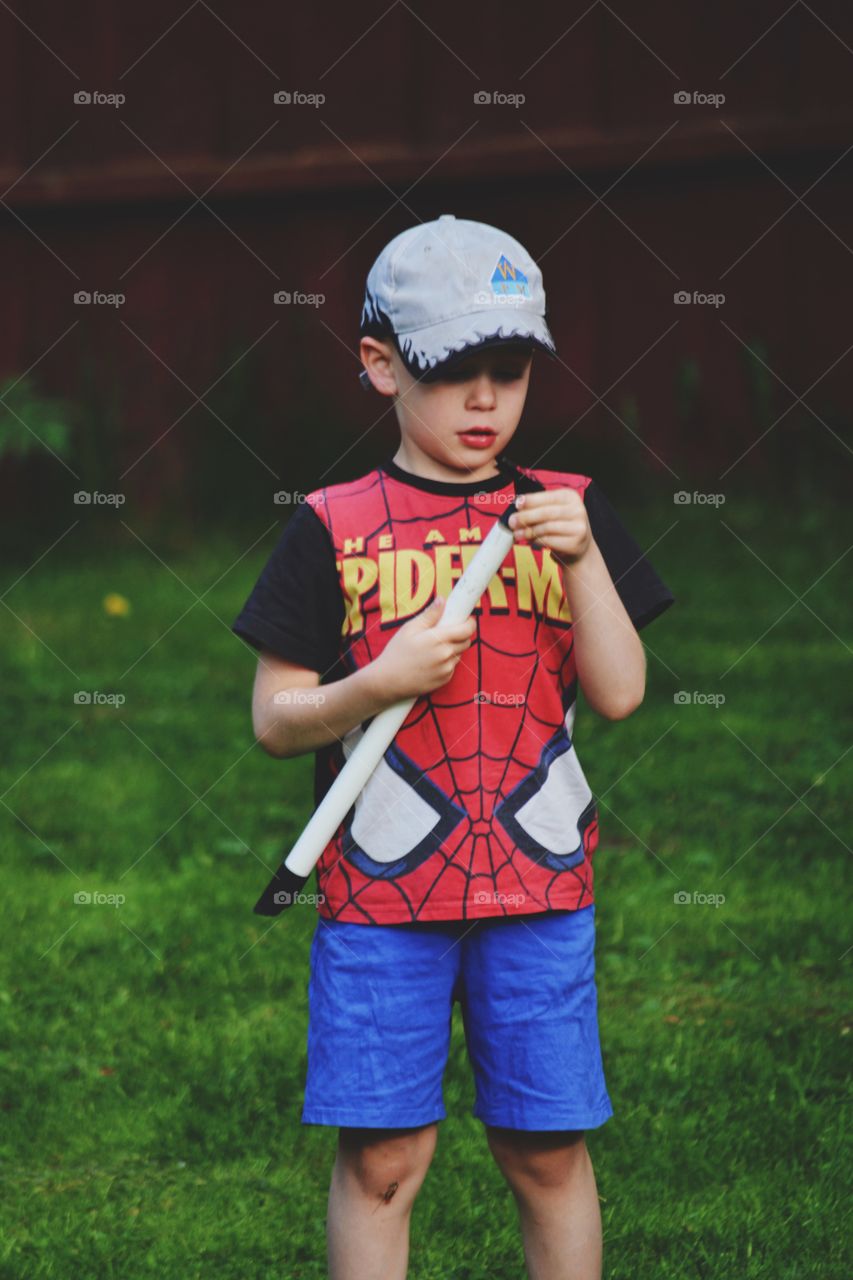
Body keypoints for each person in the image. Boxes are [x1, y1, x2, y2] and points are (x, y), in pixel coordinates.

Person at [232, 214, 676, 1280]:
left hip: (539, 883)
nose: (485, 400)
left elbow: (618, 692)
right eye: (451, 370)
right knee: (385, 1156)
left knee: (545, 1150)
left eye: (509, 369)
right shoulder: (331, 525)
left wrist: (582, 566)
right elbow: (274, 720)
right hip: (382, 895)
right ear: (380, 365)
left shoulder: (565, 511)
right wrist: (376, 683)